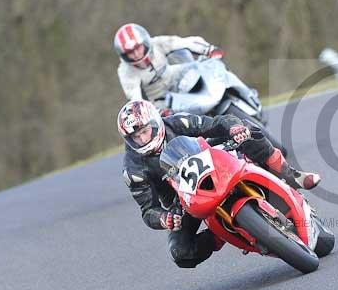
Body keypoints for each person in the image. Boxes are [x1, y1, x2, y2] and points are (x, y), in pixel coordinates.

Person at [118, 99, 321, 269]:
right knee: (180, 253)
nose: (143, 139)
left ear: (155, 122)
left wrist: (234, 128)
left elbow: (216, 123)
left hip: (214, 164)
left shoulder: (177, 122)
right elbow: (148, 210)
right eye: (135, 137)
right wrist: (164, 218)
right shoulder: (133, 170)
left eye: (145, 131)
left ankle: (289, 173)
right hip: (183, 201)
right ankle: (218, 234)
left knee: (249, 131)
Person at [114, 23, 225, 109]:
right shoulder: (125, 71)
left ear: (144, 43)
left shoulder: (157, 43)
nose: (136, 54)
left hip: (176, 78)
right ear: (124, 55)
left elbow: (186, 42)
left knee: (198, 66)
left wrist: (209, 50)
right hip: (160, 101)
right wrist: (151, 111)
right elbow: (135, 98)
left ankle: (221, 86)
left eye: (138, 48)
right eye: (130, 52)